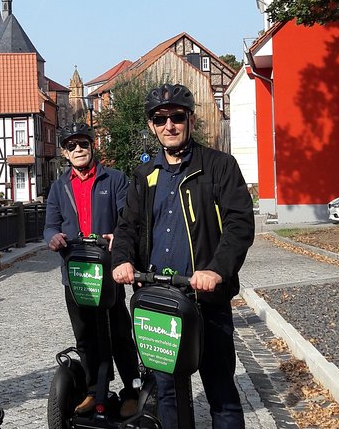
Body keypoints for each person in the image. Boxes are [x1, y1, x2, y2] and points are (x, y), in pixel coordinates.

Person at [111, 84, 255, 429]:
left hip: (206, 300)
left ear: (190, 119)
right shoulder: (145, 175)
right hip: (159, 300)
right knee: (168, 394)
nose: (169, 125)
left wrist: (217, 270)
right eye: (160, 119)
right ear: (151, 125)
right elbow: (128, 225)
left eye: (177, 117)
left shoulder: (219, 166)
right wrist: (121, 260)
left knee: (221, 393)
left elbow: (239, 225)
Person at [44, 122, 140, 418]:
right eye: (71, 146)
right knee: (85, 334)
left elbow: (127, 217)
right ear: (65, 152)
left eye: (83, 144)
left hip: (108, 273)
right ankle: (93, 390)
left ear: (92, 145)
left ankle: (132, 390)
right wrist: (53, 238)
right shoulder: (59, 187)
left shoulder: (114, 179)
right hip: (75, 275)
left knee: (119, 333)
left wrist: (117, 237)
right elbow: (49, 225)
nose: (78, 150)